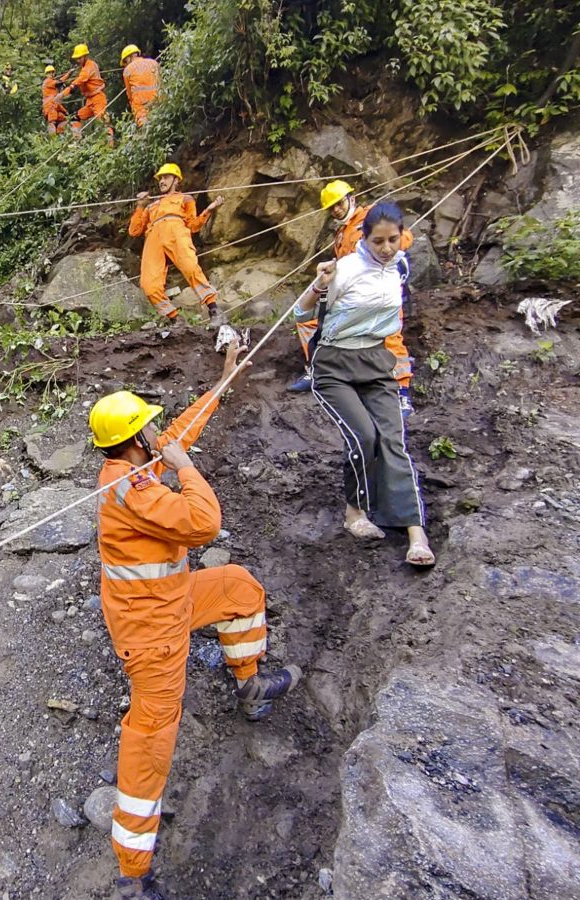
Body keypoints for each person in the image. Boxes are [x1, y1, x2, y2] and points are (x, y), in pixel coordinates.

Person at [90, 340, 301, 900]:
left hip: (174, 599)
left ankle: (251, 688)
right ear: (134, 439)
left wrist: (222, 382)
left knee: (239, 587)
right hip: (152, 636)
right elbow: (204, 523)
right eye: (149, 432)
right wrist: (186, 470)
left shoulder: (128, 463)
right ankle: (132, 874)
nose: (156, 438)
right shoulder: (134, 490)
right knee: (151, 740)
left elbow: (176, 434)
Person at [293, 202, 435, 566]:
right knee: (364, 437)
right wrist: (318, 285)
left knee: (393, 440)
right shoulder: (346, 269)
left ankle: (414, 530)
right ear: (364, 238)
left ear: (402, 235)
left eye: (393, 239)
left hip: (375, 361)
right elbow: (302, 313)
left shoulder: (399, 266)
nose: (386, 248)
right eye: (378, 241)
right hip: (334, 364)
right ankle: (354, 512)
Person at [290, 179, 415, 407]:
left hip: (379, 290)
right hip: (350, 293)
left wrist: (379, 248)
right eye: (332, 208)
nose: (337, 209)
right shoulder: (341, 234)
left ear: (351, 198)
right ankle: (316, 370)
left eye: (339, 203)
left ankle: (402, 393)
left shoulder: (372, 218)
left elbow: (404, 238)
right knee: (310, 321)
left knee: (388, 336)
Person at [129, 162, 224, 323]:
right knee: (148, 285)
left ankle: (214, 310)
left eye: (166, 177)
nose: (161, 181)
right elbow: (134, 231)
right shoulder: (152, 205)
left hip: (176, 231)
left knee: (190, 267)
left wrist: (209, 209)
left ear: (176, 180)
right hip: (153, 237)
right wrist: (140, 206)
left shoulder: (185, 199)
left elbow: (193, 225)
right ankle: (175, 318)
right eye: (160, 178)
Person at [59, 43, 114, 143]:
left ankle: (110, 148)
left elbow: (79, 81)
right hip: (90, 102)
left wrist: (63, 94)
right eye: (77, 58)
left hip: (98, 99)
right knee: (75, 118)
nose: (78, 60)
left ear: (85, 56)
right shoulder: (84, 67)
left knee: (103, 122)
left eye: (79, 58)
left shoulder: (89, 67)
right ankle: (78, 142)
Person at [120, 45, 159, 126]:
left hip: (141, 108)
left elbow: (130, 96)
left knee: (145, 130)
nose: (125, 64)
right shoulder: (154, 63)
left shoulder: (127, 70)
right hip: (158, 102)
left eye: (125, 61)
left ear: (128, 57)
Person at [42, 65, 68, 136]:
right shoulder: (47, 81)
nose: (52, 74)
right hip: (50, 106)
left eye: (52, 72)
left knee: (63, 118)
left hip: (55, 105)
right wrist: (68, 74)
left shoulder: (53, 84)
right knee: (52, 121)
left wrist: (65, 112)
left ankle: (60, 136)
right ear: (46, 74)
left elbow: (59, 82)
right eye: (49, 73)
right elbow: (60, 82)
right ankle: (53, 141)